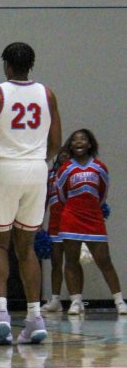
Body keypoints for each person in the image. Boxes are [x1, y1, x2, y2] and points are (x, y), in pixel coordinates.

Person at [0, 42, 62, 345]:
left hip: (6, 167)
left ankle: (2, 315)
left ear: (6, 65)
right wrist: (38, 163)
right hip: (37, 169)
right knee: (27, 247)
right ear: (30, 65)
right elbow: (57, 143)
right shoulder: (48, 94)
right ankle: (35, 317)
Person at [57, 129, 127, 315]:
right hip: (71, 217)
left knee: (104, 260)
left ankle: (119, 301)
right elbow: (62, 195)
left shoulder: (99, 167)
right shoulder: (65, 169)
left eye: (83, 139)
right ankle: (76, 302)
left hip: (93, 218)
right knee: (71, 260)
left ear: (89, 144)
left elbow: (103, 193)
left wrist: (93, 208)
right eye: (75, 140)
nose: (78, 142)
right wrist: (74, 208)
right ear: (71, 145)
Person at [41, 146, 72, 313]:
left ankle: (76, 299)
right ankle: (55, 299)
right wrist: (39, 222)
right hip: (55, 224)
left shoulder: (73, 173)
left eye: (67, 153)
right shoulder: (50, 176)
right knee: (56, 263)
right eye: (61, 153)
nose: (63, 155)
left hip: (73, 223)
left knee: (72, 263)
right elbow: (44, 200)